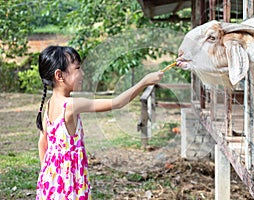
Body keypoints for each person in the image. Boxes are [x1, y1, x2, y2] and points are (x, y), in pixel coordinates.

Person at [35, 45, 164, 199]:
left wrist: (47, 174)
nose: (82, 73)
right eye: (77, 69)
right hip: (69, 186)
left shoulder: (49, 104)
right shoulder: (71, 105)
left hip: (50, 182)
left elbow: (42, 144)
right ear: (59, 75)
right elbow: (117, 103)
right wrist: (144, 82)